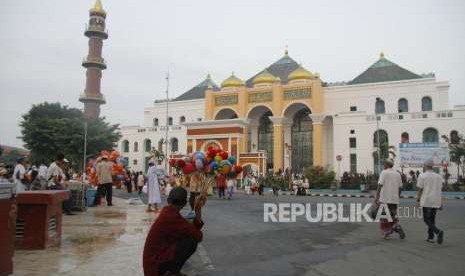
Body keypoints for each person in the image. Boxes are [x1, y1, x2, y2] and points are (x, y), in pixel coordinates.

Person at [143, 187, 206, 276]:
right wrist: (197, 209)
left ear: (168, 200)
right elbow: (198, 236)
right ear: (184, 203)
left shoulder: (168, 212)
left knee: (188, 236)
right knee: (191, 241)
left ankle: (171, 271)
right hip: (154, 268)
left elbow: (191, 228)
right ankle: (170, 272)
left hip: (152, 264)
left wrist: (198, 209)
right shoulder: (172, 216)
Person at [375, 159, 406, 240]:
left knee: (384, 217)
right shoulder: (397, 174)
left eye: (384, 164)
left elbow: (379, 185)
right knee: (392, 215)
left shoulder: (384, 172)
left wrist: (377, 197)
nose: (383, 165)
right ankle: (397, 225)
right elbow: (400, 187)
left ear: (387, 164)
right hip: (394, 199)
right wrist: (397, 196)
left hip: (384, 199)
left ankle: (387, 234)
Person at [417, 159, 444, 244]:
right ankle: (430, 237)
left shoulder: (422, 176)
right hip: (436, 200)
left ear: (425, 166)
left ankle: (437, 231)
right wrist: (441, 202)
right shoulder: (438, 176)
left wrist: (418, 199)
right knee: (432, 219)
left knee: (426, 219)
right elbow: (440, 190)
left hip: (426, 200)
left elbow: (420, 189)